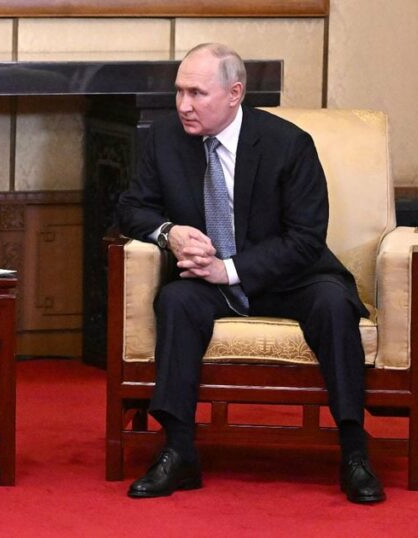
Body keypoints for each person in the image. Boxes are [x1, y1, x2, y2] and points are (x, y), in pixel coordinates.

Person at [116, 42, 385, 504]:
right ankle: (178, 451)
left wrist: (231, 269)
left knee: (333, 305)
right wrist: (169, 233)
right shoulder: (164, 138)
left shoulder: (288, 144)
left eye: (197, 93)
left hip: (290, 279)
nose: (183, 105)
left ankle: (354, 451)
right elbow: (130, 207)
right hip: (205, 279)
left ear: (235, 92)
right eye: (179, 92)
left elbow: (305, 238)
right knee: (175, 301)